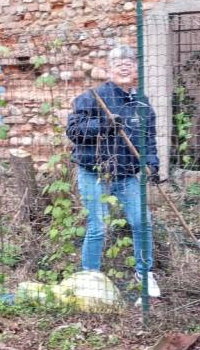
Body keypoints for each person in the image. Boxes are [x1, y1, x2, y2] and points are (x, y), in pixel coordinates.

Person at [66, 45, 161, 297]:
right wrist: (104, 125)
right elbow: (74, 132)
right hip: (93, 172)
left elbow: (148, 138)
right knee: (98, 225)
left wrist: (151, 163)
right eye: (118, 62)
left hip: (126, 174)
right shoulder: (93, 97)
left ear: (136, 68)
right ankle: (90, 277)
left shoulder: (141, 102)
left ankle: (145, 274)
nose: (124, 65)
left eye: (129, 61)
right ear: (109, 69)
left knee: (142, 221)